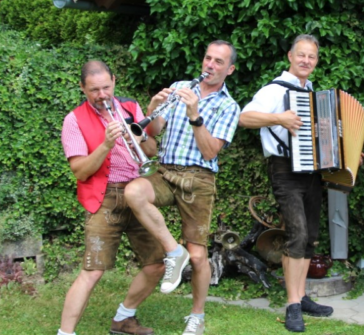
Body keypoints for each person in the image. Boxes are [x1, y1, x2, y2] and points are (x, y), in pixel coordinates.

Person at [124, 40, 240, 335]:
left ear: (229, 69)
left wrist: (195, 115)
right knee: (133, 192)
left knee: (198, 256)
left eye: (218, 62)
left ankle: (197, 317)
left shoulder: (229, 106)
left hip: (199, 178)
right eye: (208, 58)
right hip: (166, 171)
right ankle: (174, 252)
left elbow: (210, 152)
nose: (210, 65)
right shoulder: (179, 87)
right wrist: (153, 107)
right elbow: (153, 132)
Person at [58, 60, 164, 335]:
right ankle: (65, 333)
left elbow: (152, 149)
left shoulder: (129, 107)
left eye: (106, 87)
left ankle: (123, 319)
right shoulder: (74, 120)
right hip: (104, 197)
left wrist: (139, 138)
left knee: (156, 265)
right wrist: (106, 144)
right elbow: (80, 171)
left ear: (114, 81)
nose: (102, 95)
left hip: (137, 191)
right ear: (82, 88)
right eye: (94, 90)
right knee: (93, 271)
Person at [239, 34, 335, 333]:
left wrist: (340, 147)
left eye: (312, 56)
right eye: (301, 55)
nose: (306, 60)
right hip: (284, 169)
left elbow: (321, 136)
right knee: (297, 233)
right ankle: (293, 304)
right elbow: (244, 117)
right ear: (290, 57)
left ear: (316, 61)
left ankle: (302, 296)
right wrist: (279, 118)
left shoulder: (314, 94)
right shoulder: (274, 90)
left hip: (312, 171)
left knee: (310, 237)